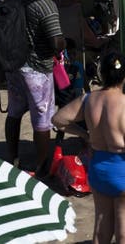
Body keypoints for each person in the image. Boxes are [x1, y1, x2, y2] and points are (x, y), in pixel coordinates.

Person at [53, 51, 125, 244]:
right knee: (123, 228)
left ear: (102, 74)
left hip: (98, 168)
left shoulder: (89, 99)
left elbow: (58, 119)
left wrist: (85, 134)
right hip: (121, 170)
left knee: (101, 224)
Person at [4, 0, 66, 177]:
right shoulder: (46, 5)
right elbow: (56, 42)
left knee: (14, 112)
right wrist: (66, 42)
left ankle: (12, 157)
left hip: (14, 64)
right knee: (42, 118)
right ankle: (41, 165)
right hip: (37, 68)